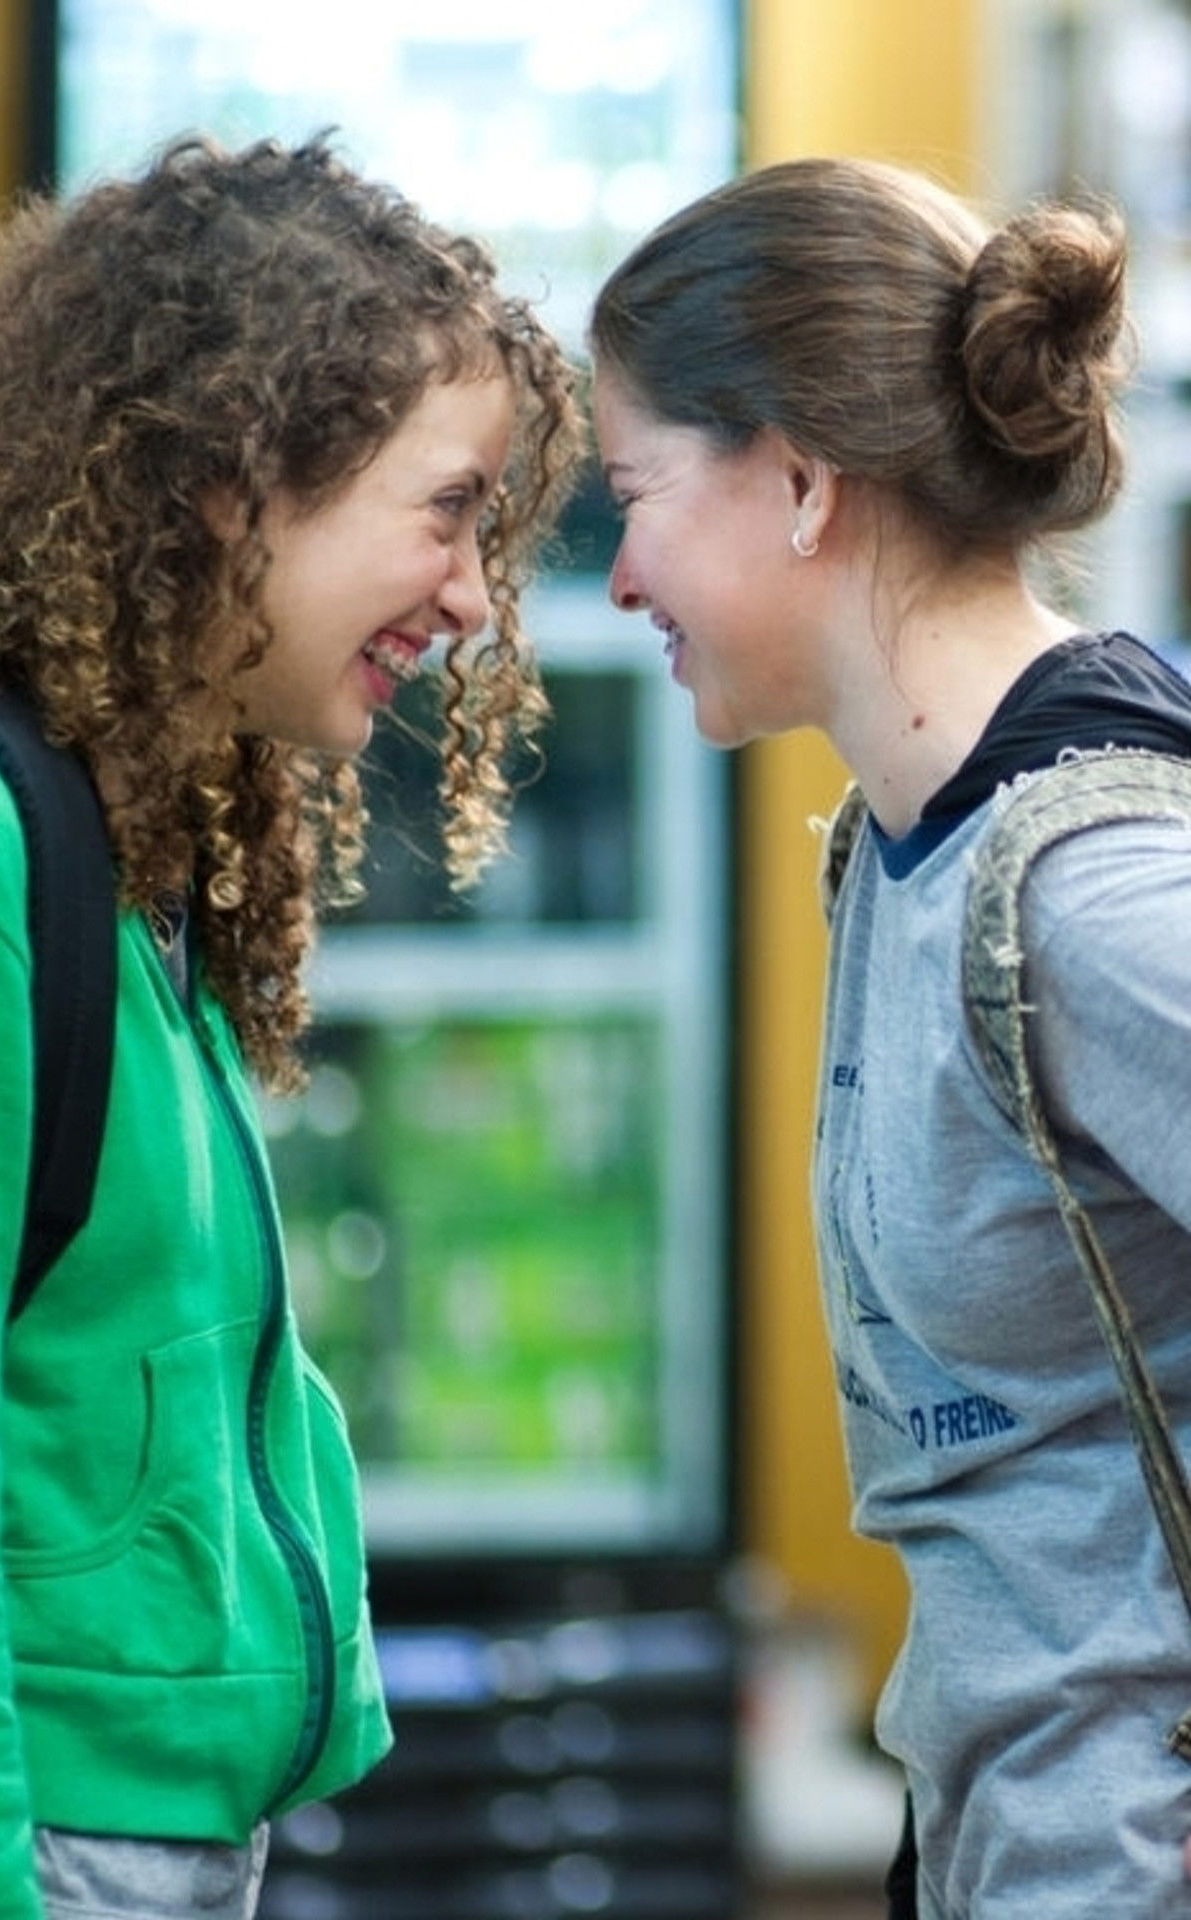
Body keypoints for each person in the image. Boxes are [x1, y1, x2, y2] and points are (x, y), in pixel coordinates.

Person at [0, 132, 581, 1919]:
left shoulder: (127, 851)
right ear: (227, 481)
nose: (471, 597)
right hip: (35, 1846)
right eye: (447, 509)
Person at [589, 156, 1191, 1916]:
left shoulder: (1086, 896)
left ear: (797, 480)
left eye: (632, 493)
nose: (617, 576)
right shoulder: (904, 844)